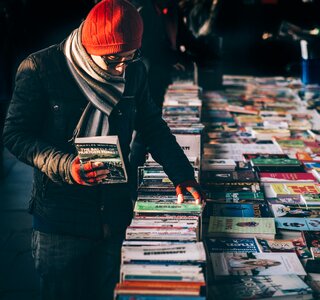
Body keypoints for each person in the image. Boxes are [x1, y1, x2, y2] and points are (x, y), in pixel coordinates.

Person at [2, 1, 203, 299]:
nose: (122, 68)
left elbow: (152, 126)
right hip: (61, 221)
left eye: (130, 56)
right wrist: (66, 165)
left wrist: (182, 174)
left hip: (114, 213)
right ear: (88, 46)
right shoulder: (41, 68)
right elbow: (15, 135)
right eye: (112, 61)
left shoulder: (133, 71)